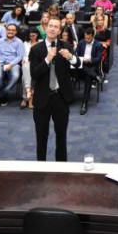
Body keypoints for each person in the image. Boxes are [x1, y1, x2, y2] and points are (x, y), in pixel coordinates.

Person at [29, 17, 80, 161]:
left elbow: (77, 64)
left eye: (55, 27)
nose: (52, 29)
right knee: (41, 136)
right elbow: (34, 74)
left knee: (61, 136)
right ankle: (41, 167)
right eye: (50, 26)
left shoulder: (65, 46)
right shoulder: (36, 49)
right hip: (42, 98)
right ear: (45, 28)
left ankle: (61, 168)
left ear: (59, 30)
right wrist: (47, 59)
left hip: (61, 97)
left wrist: (71, 57)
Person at [0, 23, 25, 108]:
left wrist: (11, 64)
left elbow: (20, 56)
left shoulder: (19, 42)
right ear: (6, 30)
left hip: (13, 63)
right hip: (0, 62)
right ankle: (4, 96)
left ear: (16, 32)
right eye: (9, 29)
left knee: (16, 76)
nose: (10, 31)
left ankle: (0, 95)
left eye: (13, 30)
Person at [74, 28, 104, 115]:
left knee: (88, 79)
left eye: (89, 38)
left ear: (92, 36)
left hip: (91, 66)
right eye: (86, 38)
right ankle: (96, 76)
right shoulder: (81, 43)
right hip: (80, 66)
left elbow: (99, 59)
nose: (87, 40)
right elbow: (76, 54)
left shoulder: (98, 45)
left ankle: (84, 104)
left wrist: (90, 60)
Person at [20, 29, 40, 109]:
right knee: (25, 68)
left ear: (37, 35)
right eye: (30, 35)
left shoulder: (41, 43)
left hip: (37, 65)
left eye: (33, 35)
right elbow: (24, 55)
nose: (32, 37)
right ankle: (29, 97)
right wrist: (24, 59)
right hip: (27, 63)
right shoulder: (25, 43)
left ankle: (25, 99)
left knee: (24, 77)